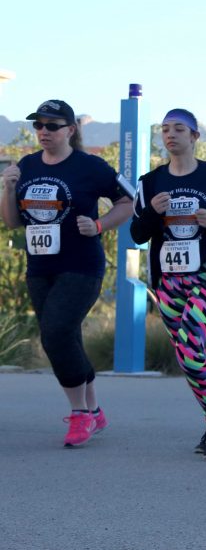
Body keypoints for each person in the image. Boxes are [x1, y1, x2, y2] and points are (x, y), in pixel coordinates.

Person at [1, 100, 133, 448]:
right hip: (40, 267)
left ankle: (81, 415)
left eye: (52, 125)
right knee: (66, 337)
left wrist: (100, 224)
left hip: (82, 265)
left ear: (70, 130)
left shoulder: (90, 167)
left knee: (56, 332)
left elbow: (129, 201)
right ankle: (94, 408)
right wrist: (9, 188)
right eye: (39, 126)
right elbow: (13, 222)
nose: (44, 131)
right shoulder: (26, 166)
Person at [131, 108, 206, 458]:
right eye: (165, 129)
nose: (171, 135)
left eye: (179, 129)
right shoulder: (150, 183)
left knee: (189, 346)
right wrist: (152, 212)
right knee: (187, 355)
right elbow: (138, 233)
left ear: (195, 136)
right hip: (168, 283)